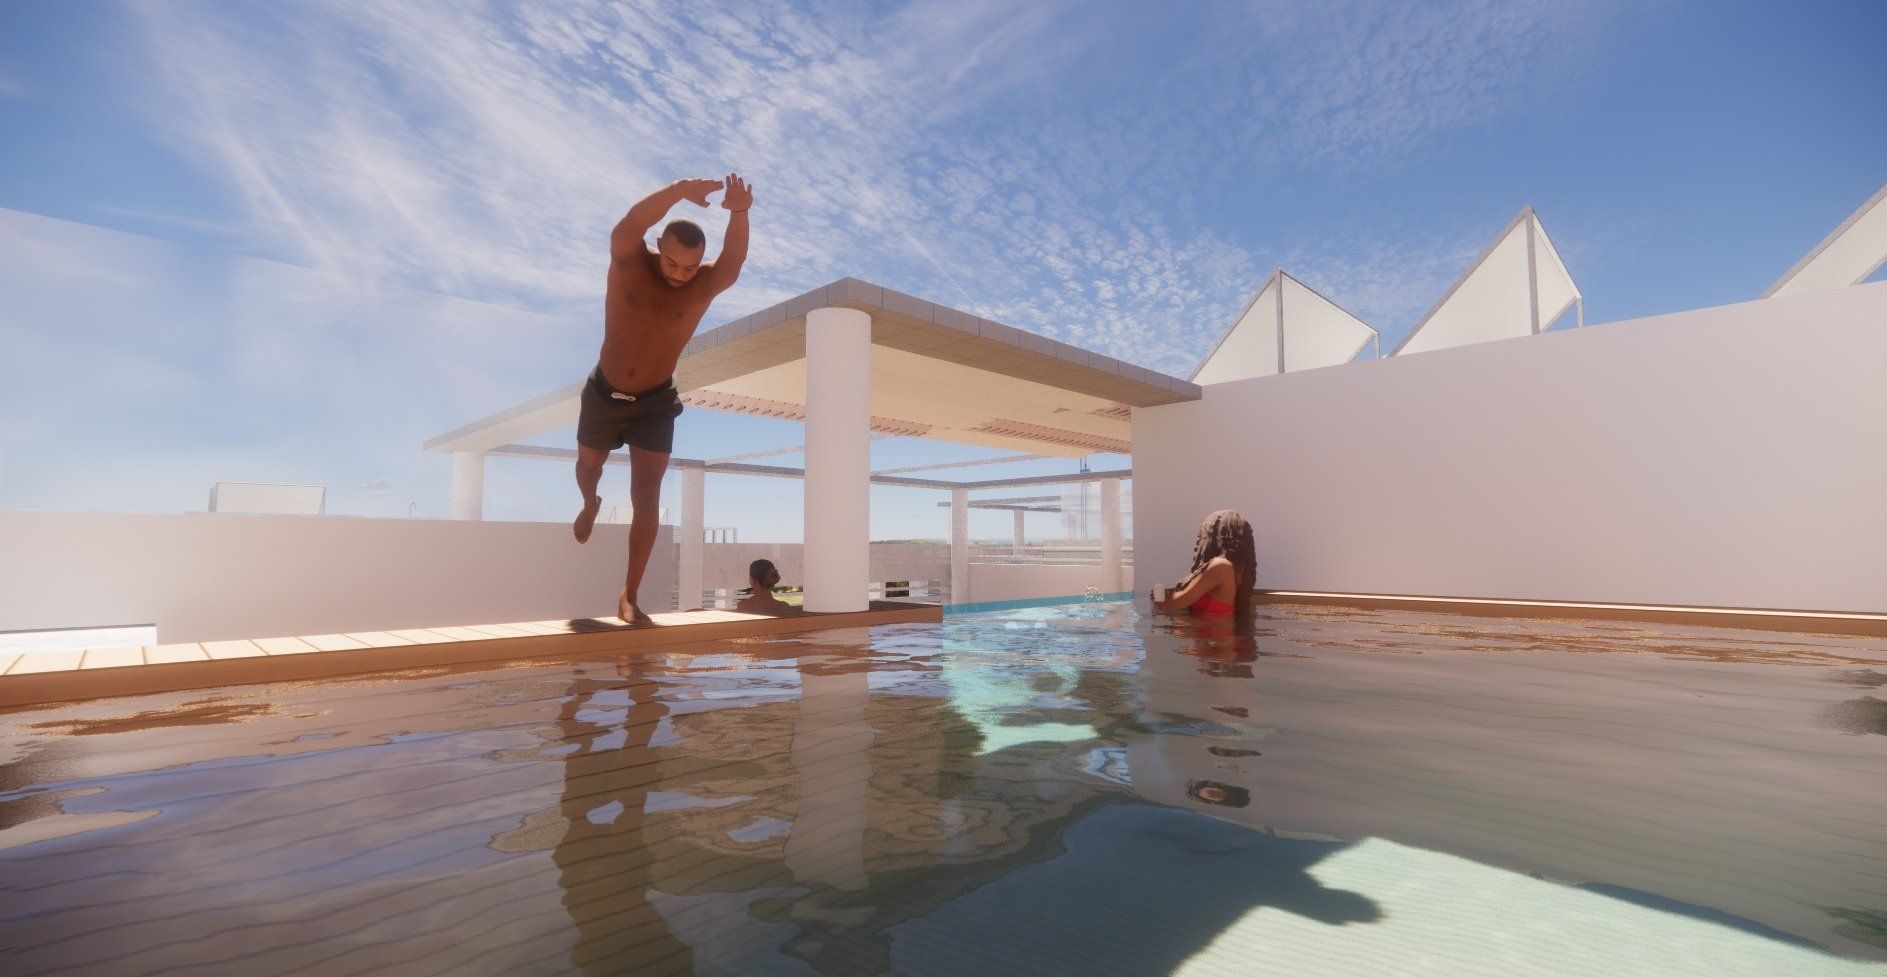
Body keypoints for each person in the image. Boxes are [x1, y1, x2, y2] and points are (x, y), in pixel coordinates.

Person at [572, 174, 754, 624]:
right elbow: (631, 223)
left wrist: (740, 211)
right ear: (659, 246)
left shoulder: (702, 284)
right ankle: (590, 501)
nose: (679, 274)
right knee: (589, 467)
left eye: (689, 267)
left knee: (647, 492)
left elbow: (732, 262)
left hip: (655, 401)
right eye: (672, 263)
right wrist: (678, 191)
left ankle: (629, 596)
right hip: (603, 393)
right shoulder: (629, 261)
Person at [1151, 509, 1256, 619]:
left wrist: (1161, 597)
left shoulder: (1220, 567)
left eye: (1203, 534)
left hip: (1208, 630)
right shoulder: (1236, 572)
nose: (1199, 540)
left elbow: (1174, 603)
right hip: (1210, 630)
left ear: (1215, 535)